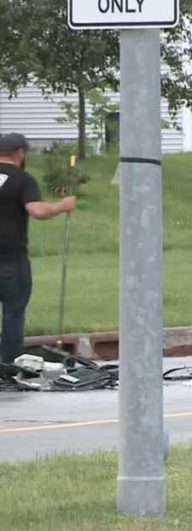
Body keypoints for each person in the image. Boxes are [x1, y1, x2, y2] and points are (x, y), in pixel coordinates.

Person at [0, 133, 76, 364]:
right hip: (10, 258)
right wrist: (62, 206)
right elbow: (37, 211)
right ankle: (9, 364)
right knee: (13, 311)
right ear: (20, 153)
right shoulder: (22, 179)